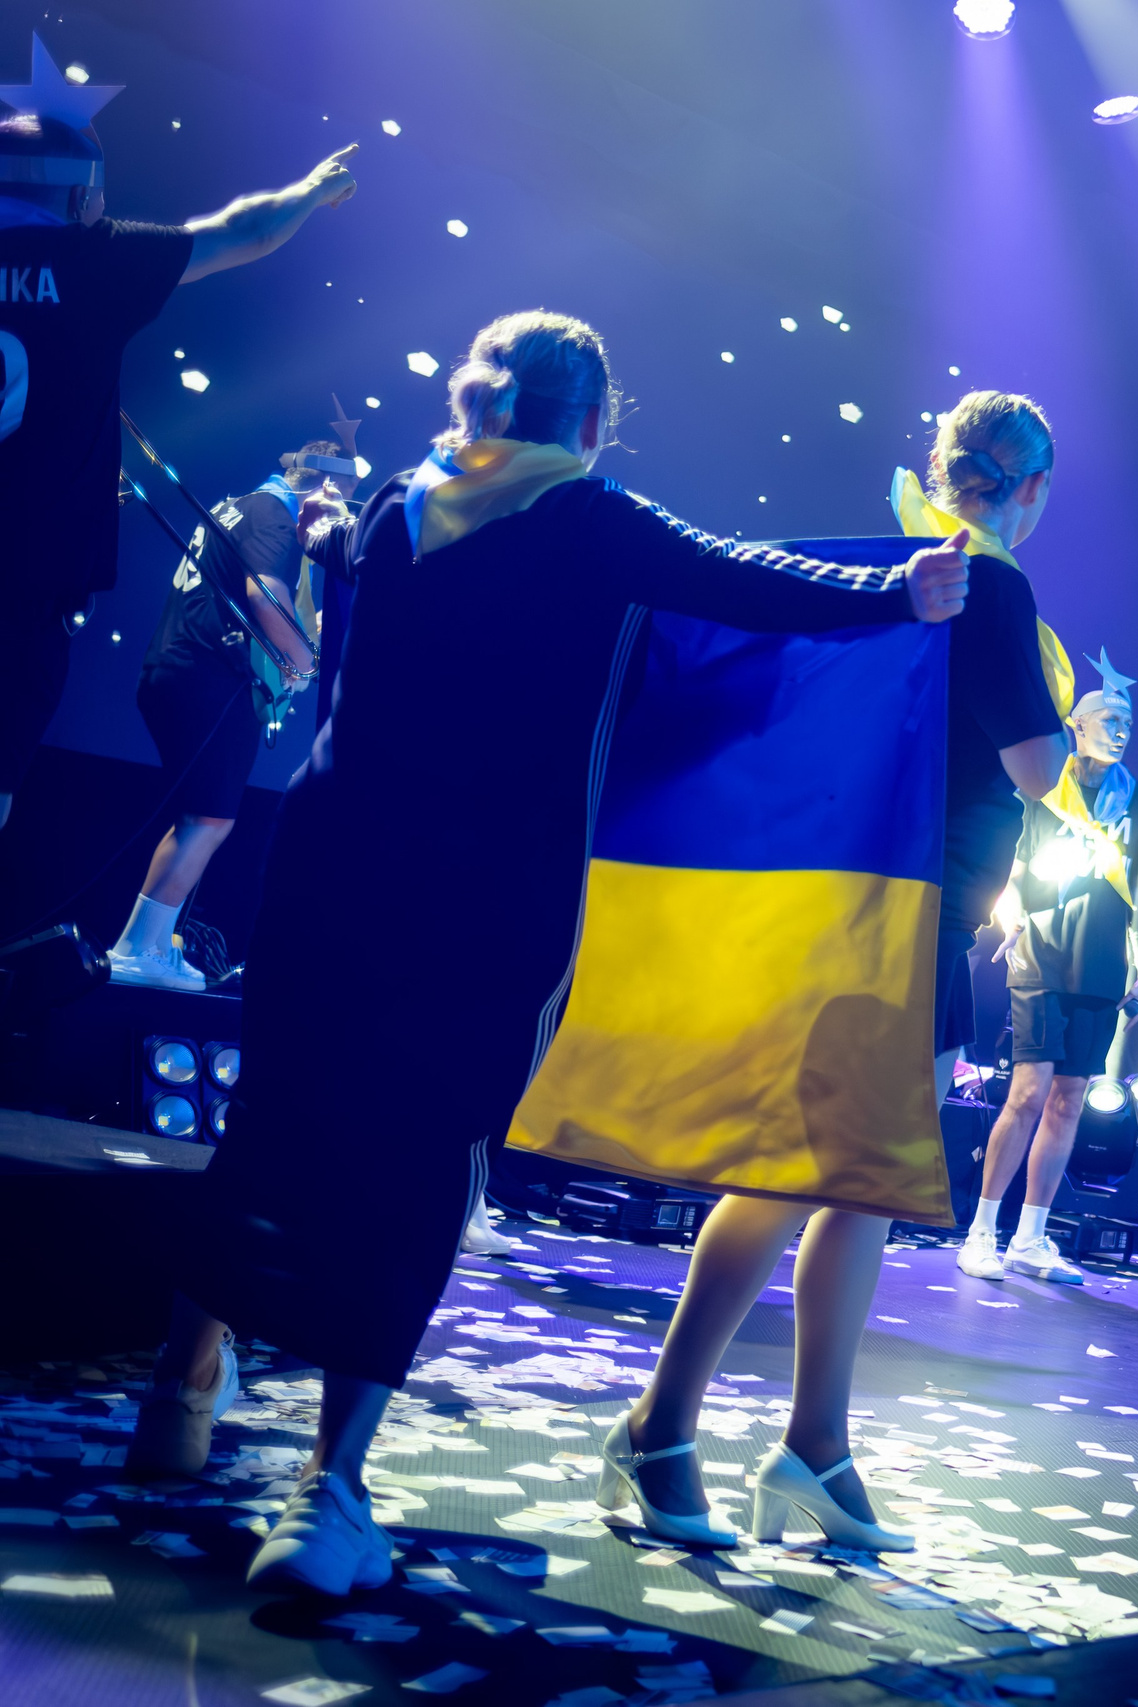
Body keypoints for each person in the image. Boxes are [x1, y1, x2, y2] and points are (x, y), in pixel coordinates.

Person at [143, 311, 969, 1595]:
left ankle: (181, 1388)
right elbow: (743, 577)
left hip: (322, 869)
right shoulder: (591, 521)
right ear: (590, 425)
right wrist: (900, 590)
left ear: (477, 407)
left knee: (277, 1121)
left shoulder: (388, 505)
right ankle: (331, 1490)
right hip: (479, 899)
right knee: (418, 1163)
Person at [609, 391, 1068, 1554]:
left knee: (855, 1179)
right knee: (793, 1167)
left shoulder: (877, 569)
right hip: (898, 922)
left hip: (861, 903)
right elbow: (1034, 768)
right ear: (1029, 491)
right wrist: (1078, 727)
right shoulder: (991, 583)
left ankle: (814, 1447)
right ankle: (660, 1428)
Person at [0, 36, 357, 833]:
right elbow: (244, 231)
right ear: (79, 189)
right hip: (23, 588)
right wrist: (307, 190)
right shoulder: (99, 261)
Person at [103, 442, 343, 991]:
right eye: (335, 508)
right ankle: (138, 950)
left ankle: (151, 945)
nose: (330, 525)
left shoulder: (239, 505)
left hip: (175, 670)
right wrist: (305, 663)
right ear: (321, 489)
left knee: (200, 818)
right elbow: (264, 599)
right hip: (210, 680)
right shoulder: (276, 515)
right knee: (209, 821)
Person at [959, 651, 1138, 1286]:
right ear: (1077, 724)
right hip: (1042, 953)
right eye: (1108, 715)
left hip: (1101, 965)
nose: (1122, 726)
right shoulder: (1045, 791)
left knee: (1071, 1100)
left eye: (1128, 718)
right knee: (1026, 1093)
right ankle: (981, 1231)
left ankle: (1031, 1237)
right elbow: (1012, 872)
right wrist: (1009, 916)